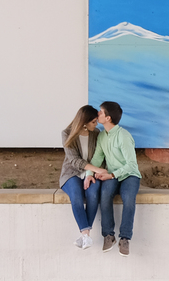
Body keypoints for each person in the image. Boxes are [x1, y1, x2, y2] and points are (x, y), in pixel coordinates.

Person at [89, 100, 142, 256]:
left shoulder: (124, 136)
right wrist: (89, 175)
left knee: (128, 198)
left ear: (108, 118)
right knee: (105, 195)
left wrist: (111, 175)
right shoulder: (102, 136)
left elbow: (132, 165)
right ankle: (108, 235)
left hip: (129, 175)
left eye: (100, 112)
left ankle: (125, 238)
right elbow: (97, 159)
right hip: (111, 175)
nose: (97, 114)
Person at [58, 105, 105, 249]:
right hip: (71, 173)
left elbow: (99, 156)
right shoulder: (67, 133)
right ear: (84, 122)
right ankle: (86, 234)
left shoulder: (96, 133)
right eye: (93, 122)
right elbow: (74, 160)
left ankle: (85, 237)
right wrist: (96, 169)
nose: (96, 124)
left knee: (93, 194)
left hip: (90, 174)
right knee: (76, 196)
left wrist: (92, 173)